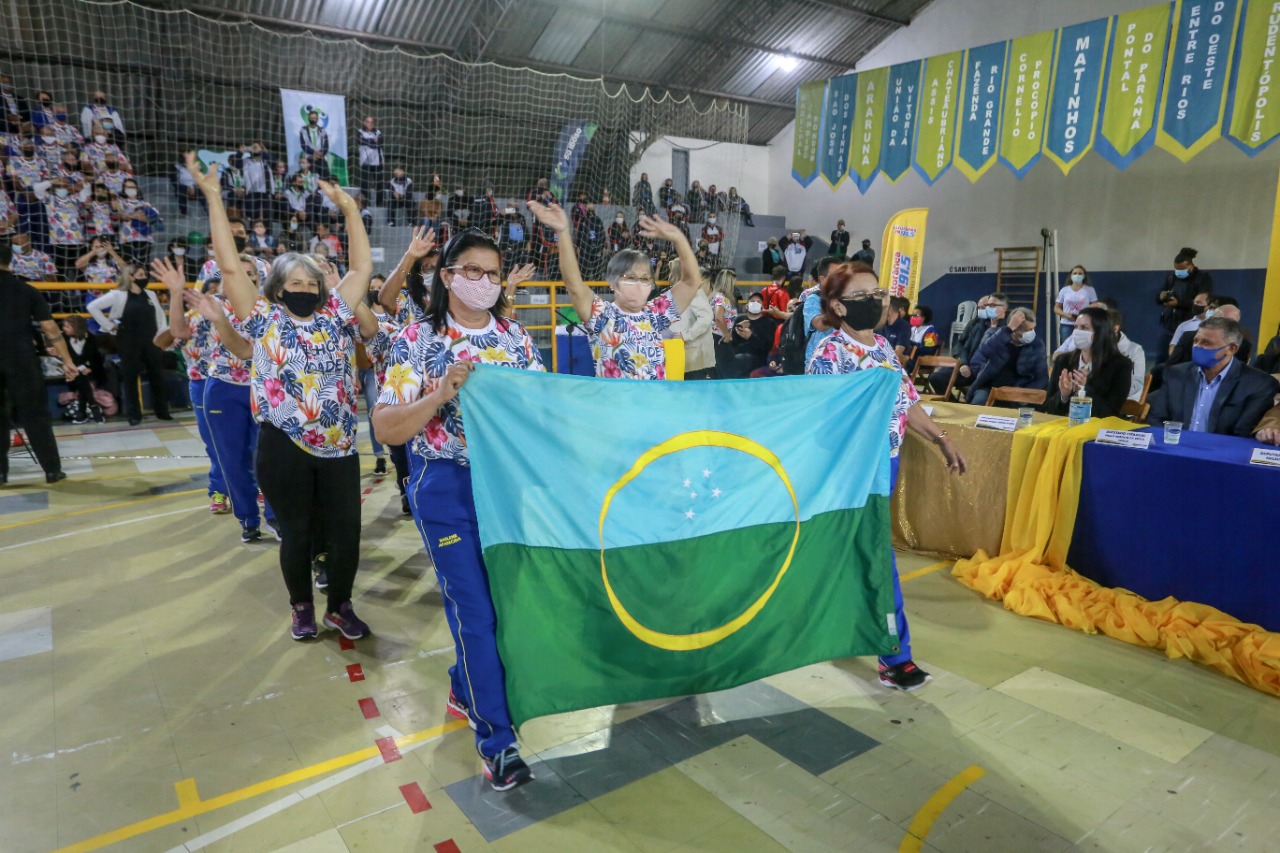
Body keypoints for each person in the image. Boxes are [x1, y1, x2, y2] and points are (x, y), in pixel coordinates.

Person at [372, 227, 544, 793]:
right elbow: (386, 426)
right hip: (445, 487)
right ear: (446, 277)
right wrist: (439, 394)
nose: (485, 283)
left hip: (507, 488)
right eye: (472, 272)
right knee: (475, 610)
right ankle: (498, 741)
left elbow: (542, 414)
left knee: (506, 606)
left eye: (493, 274)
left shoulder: (517, 340)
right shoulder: (415, 342)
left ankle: (464, 684)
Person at [190, 151, 380, 639]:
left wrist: (351, 210)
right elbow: (232, 273)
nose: (304, 287)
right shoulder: (264, 317)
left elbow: (361, 266)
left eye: (311, 282)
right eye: (294, 282)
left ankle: (339, 604)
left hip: (338, 446)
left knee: (345, 536)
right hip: (283, 444)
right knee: (295, 533)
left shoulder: (336, 314)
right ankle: (301, 607)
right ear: (276, 288)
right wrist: (214, 198)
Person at [807, 261, 965, 691]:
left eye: (879, 294)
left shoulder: (881, 346)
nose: (878, 302)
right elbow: (822, 423)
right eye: (864, 297)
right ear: (838, 306)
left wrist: (940, 438)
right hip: (854, 471)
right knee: (878, 557)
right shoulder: (828, 353)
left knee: (858, 555)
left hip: (886, 465)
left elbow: (907, 401)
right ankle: (896, 658)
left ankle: (842, 628)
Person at [531, 199, 700, 380]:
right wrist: (563, 232)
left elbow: (691, 282)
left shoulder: (655, 314)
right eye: (631, 277)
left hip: (653, 404)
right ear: (612, 282)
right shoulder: (603, 315)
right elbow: (574, 285)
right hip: (614, 405)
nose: (639, 284)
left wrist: (679, 238)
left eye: (645, 279)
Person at [151, 257, 230, 513]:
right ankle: (219, 490)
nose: (217, 291)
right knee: (215, 442)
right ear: (200, 290)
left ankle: (259, 486)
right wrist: (179, 312)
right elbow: (161, 341)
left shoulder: (242, 314)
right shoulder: (190, 319)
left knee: (252, 440)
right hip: (203, 384)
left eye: (222, 285)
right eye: (212, 286)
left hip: (241, 383)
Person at [0, 240, 77, 486]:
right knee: (35, 416)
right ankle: (52, 470)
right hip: (21, 359)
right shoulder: (27, 290)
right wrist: (66, 361)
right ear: (10, 261)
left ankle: (1, 474)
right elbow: (50, 328)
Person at [1147, 317, 1279, 437]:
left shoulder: (1259, 384)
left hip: (1223, 456)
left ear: (1231, 348)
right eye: (1196, 341)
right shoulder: (1176, 374)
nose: (1197, 347)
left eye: (1206, 343)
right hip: (1176, 450)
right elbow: (1156, 418)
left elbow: (1243, 433)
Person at [86, 262, 171, 426]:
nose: (144, 278)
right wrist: (110, 326)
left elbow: (160, 317)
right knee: (130, 378)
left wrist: (163, 336)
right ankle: (134, 415)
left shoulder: (150, 294)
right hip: (128, 341)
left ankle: (162, 411)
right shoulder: (118, 294)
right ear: (130, 277)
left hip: (151, 340)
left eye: (145, 275)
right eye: (140, 275)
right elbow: (93, 306)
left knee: (157, 376)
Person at [1045, 306, 1134, 419]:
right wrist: (1063, 396)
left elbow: (1110, 413)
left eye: (1084, 328)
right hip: (1064, 429)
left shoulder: (1121, 365)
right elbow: (1048, 408)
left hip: (1097, 431)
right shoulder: (1063, 361)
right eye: (1076, 327)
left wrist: (1084, 390)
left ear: (1100, 332)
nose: (1077, 332)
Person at [966, 307, 1047, 405]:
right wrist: (1008, 329)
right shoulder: (994, 334)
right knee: (978, 403)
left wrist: (1025, 395)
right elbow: (985, 351)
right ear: (1014, 330)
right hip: (989, 387)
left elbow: (1042, 376)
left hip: (1018, 391)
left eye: (1033, 329)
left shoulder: (1037, 344)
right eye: (1028, 330)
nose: (1032, 333)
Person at [930, 294, 1006, 396]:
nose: (982, 310)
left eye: (985, 307)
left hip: (986, 373)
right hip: (968, 366)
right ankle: (954, 405)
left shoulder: (1005, 328)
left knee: (976, 396)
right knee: (936, 378)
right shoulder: (975, 324)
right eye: (979, 308)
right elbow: (962, 345)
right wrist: (964, 363)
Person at [1156, 247, 1213, 365]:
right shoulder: (1171, 277)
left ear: (1190, 266)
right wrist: (1161, 297)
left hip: (1188, 323)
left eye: (1182, 269)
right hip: (1169, 324)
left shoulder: (1202, 278)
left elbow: (1201, 300)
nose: (1178, 272)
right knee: (1161, 359)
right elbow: (1160, 296)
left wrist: (1179, 303)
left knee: (1181, 361)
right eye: (1176, 269)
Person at [667, 261, 715, 380]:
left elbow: (706, 318)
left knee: (692, 391)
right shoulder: (677, 293)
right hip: (680, 352)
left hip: (694, 356)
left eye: (671, 272)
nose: (669, 275)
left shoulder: (694, 293)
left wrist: (686, 335)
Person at [58, 315, 107, 424]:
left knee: (83, 380)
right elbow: (69, 357)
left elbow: (95, 359)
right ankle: (94, 411)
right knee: (83, 380)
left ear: (77, 328)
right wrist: (80, 367)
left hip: (92, 372)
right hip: (73, 371)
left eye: (67, 326)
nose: (64, 329)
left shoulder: (91, 339)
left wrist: (88, 368)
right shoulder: (63, 339)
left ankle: (82, 414)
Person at [115, 177, 161, 266]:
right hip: (127, 238)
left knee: (143, 264)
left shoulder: (145, 203)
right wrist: (134, 215)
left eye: (132, 187)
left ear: (137, 188)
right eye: (127, 187)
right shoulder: (120, 202)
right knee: (128, 265)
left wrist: (142, 218)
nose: (130, 189)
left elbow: (153, 220)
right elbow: (122, 216)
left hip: (144, 238)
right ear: (124, 190)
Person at [1054, 265, 1097, 346]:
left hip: (1084, 323)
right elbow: (1056, 308)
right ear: (1071, 276)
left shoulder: (1090, 290)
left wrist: (1084, 311)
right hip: (1066, 324)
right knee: (1066, 346)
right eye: (1075, 273)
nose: (1077, 275)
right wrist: (1066, 315)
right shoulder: (1064, 290)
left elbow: (1095, 304)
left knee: (1083, 345)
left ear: (1084, 276)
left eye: (1080, 273)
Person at [1168, 290, 1211, 355]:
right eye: (1194, 302)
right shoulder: (1183, 325)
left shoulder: (1216, 324)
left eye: (1199, 302)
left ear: (1208, 306)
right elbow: (1173, 346)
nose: (1195, 305)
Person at [356, 116, 384, 207]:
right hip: (365, 162)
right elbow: (361, 141)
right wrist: (373, 141)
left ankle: (379, 203)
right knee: (365, 184)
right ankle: (365, 204)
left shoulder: (378, 132)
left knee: (379, 183)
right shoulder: (360, 132)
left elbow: (380, 141)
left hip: (377, 162)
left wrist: (369, 141)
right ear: (364, 122)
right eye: (368, 121)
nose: (370, 123)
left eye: (372, 122)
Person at [904, 305, 939, 373]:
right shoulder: (912, 329)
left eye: (915, 315)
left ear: (923, 318)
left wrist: (911, 344)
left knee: (905, 364)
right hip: (911, 358)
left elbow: (928, 350)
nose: (912, 317)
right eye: (912, 315)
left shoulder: (931, 331)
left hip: (923, 360)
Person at [299, 111, 330, 178]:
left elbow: (326, 145)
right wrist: (313, 153)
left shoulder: (322, 131)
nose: (313, 119)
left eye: (315, 118)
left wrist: (321, 154)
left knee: (325, 178)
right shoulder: (303, 130)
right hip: (309, 158)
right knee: (311, 178)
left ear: (317, 119)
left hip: (321, 158)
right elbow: (303, 145)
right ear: (308, 118)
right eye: (311, 117)